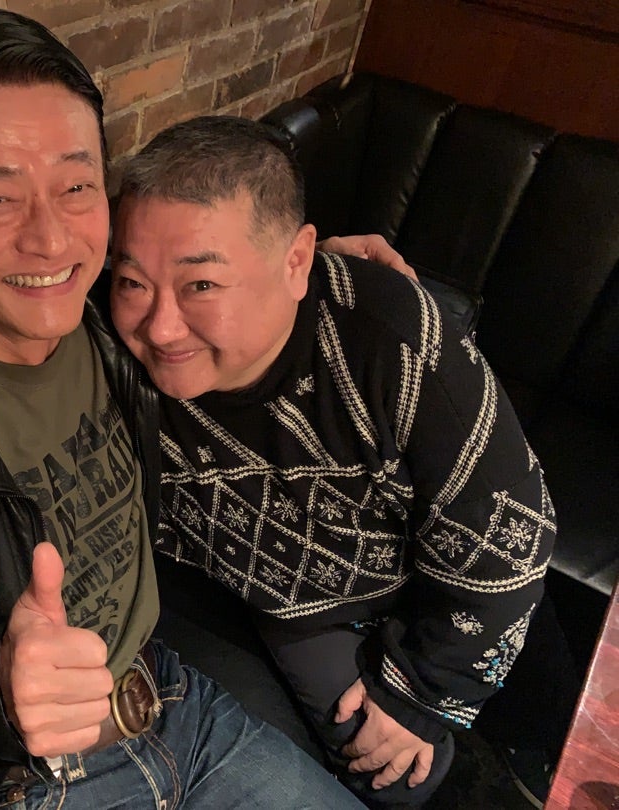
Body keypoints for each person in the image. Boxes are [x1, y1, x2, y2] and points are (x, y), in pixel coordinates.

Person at [0, 10, 366, 810]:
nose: (52, 241)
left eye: (77, 187)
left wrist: (329, 281)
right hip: (22, 782)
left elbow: (232, 293)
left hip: (168, 701)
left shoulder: (118, 317)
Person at [109, 116, 558, 807]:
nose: (160, 326)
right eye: (132, 282)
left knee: (526, 737)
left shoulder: (391, 339)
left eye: (202, 286)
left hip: (428, 573)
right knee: (398, 781)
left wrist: (421, 693)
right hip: (292, 603)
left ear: (295, 263)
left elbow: (508, 535)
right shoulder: (111, 351)